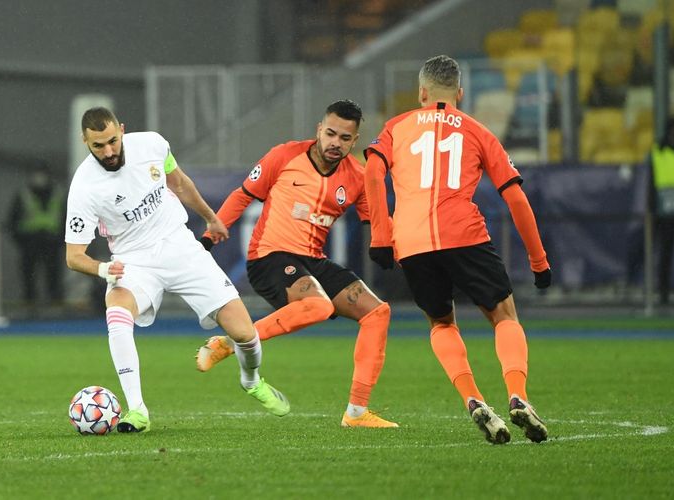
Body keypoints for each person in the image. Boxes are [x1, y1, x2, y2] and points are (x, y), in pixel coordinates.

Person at [65, 107, 289, 433]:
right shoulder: (84, 187)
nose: (109, 151)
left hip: (181, 248)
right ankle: (137, 410)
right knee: (116, 311)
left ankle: (251, 381)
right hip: (134, 260)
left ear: (122, 130)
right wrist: (102, 269)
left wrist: (212, 218)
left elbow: (180, 184)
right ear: (84, 140)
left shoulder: (153, 145)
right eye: (98, 145)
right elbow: (73, 256)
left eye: (113, 141)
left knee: (244, 333)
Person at [363, 55, 551, 444]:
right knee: (503, 315)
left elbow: (372, 171)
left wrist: (381, 235)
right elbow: (515, 198)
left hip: (411, 242)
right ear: (460, 94)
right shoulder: (478, 131)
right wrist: (539, 260)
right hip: (464, 234)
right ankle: (518, 395)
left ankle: (473, 399)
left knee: (442, 323)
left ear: (421, 92)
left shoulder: (396, 127)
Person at [195, 100, 397, 428]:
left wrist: (392, 244)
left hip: (312, 261)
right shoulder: (285, 156)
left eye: (345, 138)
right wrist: (209, 234)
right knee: (318, 306)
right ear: (319, 129)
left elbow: (376, 221)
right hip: (269, 258)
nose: (335, 143)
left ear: (355, 140)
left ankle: (357, 413)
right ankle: (230, 343)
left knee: (378, 313)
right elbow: (243, 195)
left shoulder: (357, 178)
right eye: (330, 133)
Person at [7, 165, 65, 307]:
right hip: (30, 243)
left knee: (53, 277)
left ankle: (55, 306)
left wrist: (61, 240)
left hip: (52, 243)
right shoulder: (24, 194)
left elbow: (66, 219)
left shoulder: (58, 194)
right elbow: (13, 220)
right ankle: (30, 307)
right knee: (28, 277)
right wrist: (21, 240)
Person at [650, 116, 674, 305]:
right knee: (666, 252)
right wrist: (651, 208)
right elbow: (651, 182)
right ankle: (663, 293)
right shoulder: (658, 151)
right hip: (665, 209)